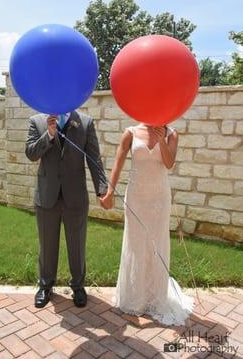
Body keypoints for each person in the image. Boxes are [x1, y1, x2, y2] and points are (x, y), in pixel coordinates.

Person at [100, 124, 195, 326]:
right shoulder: (130, 132)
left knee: (157, 244)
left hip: (160, 197)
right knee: (135, 244)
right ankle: (134, 298)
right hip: (136, 196)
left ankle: (156, 299)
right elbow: (118, 163)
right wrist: (109, 193)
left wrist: (161, 139)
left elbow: (169, 164)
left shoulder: (172, 134)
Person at [25, 111, 108, 308]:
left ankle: (78, 286)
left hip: (76, 196)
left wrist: (102, 189)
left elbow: (94, 159)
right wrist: (49, 135)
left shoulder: (86, 123)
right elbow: (31, 153)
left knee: (77, 244)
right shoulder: (37, 121)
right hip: (47, 196)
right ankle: (45, 286)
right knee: (47, 245)